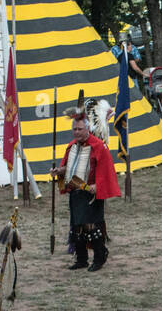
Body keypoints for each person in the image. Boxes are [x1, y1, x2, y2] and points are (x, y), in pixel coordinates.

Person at [52, 100, 121, 271]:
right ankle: (81, 259)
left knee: (93, 227)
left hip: (91, 194)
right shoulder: (72, 146)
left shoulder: (98, 146)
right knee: (77, 227)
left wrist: (98, 186)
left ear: (87, 129)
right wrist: (58, 171)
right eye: (74, 129)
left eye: (80, 129)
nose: (77, 132)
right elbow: (68, 168)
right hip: (76, 193)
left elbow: (106, 170)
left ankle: (99, 257)